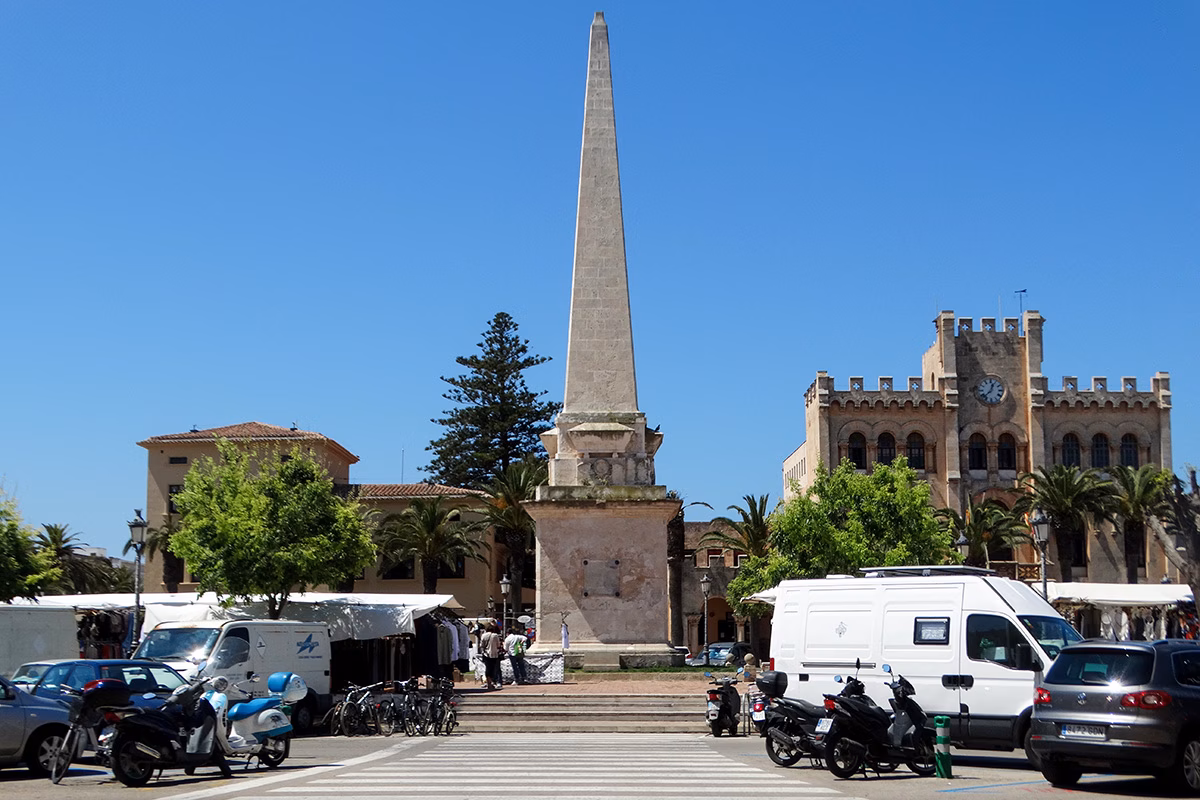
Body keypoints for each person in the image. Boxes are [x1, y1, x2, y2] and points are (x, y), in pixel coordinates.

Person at [480, 621, 503, 690]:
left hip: (486, 654)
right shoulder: (495, 636)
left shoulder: (483, 635)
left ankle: (488, 682)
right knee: (494, 669)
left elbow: (481, 645)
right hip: (494, 654)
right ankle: (493, 682)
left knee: (487, 668)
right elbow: (498, 645)